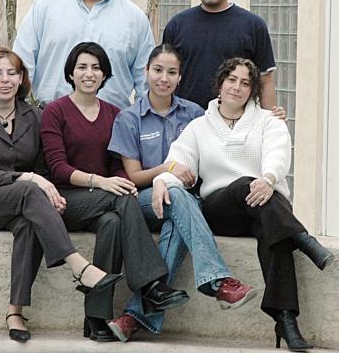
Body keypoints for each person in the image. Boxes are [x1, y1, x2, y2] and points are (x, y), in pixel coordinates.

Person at [152, 57, 334, 352]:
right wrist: (163, 180)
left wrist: (269, 177)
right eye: (231, 79)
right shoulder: (199, 127)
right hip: (220, 210)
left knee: (275, 239)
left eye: (245, 83)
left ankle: (286, 321)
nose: (237, 87)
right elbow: (177, 160)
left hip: (261, 207)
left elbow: (277, 154)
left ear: (253, 91)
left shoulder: (267, 121)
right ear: (220, 84)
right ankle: (303, 237)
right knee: (242, 184)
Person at [0, 47, 125, 343]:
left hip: (18, 203)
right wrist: (29, 179)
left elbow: (42, 170)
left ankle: (14, 311)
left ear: (21, 79)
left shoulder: (34, 116)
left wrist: (46, 191)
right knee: (30, 189)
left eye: (12, 73)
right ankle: (78, 266)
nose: (5, 79)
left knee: (30, 224)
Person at [40, 41, 188, 342]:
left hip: (104, 203)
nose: (89, 73)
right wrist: (102, 182)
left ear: (105, 74)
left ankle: (96, 318)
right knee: (120, 200)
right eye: (82, 67)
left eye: (96, 67)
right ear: (70, 73)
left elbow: (118, 164)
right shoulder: (55, 111)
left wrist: (123, 182)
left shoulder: (112, 113)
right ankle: (150, 284)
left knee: (113, 223)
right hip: (65, 200)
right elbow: (58, 168)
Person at [107, 44, 256, 342]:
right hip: (146, 202)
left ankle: (133, 316)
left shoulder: (194, 114)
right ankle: (217, 279)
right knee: (178, 200)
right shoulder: (129, 118)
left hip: (186, 203)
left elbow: (234, 123)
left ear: (180, 78)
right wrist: (169, 168)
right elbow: (135, 177)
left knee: (179, 216)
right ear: (146, 72)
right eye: (158, 70)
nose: (164, 78)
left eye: (172, 72)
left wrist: (271, 114)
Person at [13, 0, 154, 109]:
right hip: (47, 120)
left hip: (112, 126)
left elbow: (145, 80)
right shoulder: (46, 6)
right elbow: (23, 61)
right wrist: (22, 113)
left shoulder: (135, 19)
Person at [163, 0, 278, 111]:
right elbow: (165, 78)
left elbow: (265, 82)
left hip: (237, 126)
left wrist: (270, 128)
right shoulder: (176, 26)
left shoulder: (253, 26)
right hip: (185, 126)